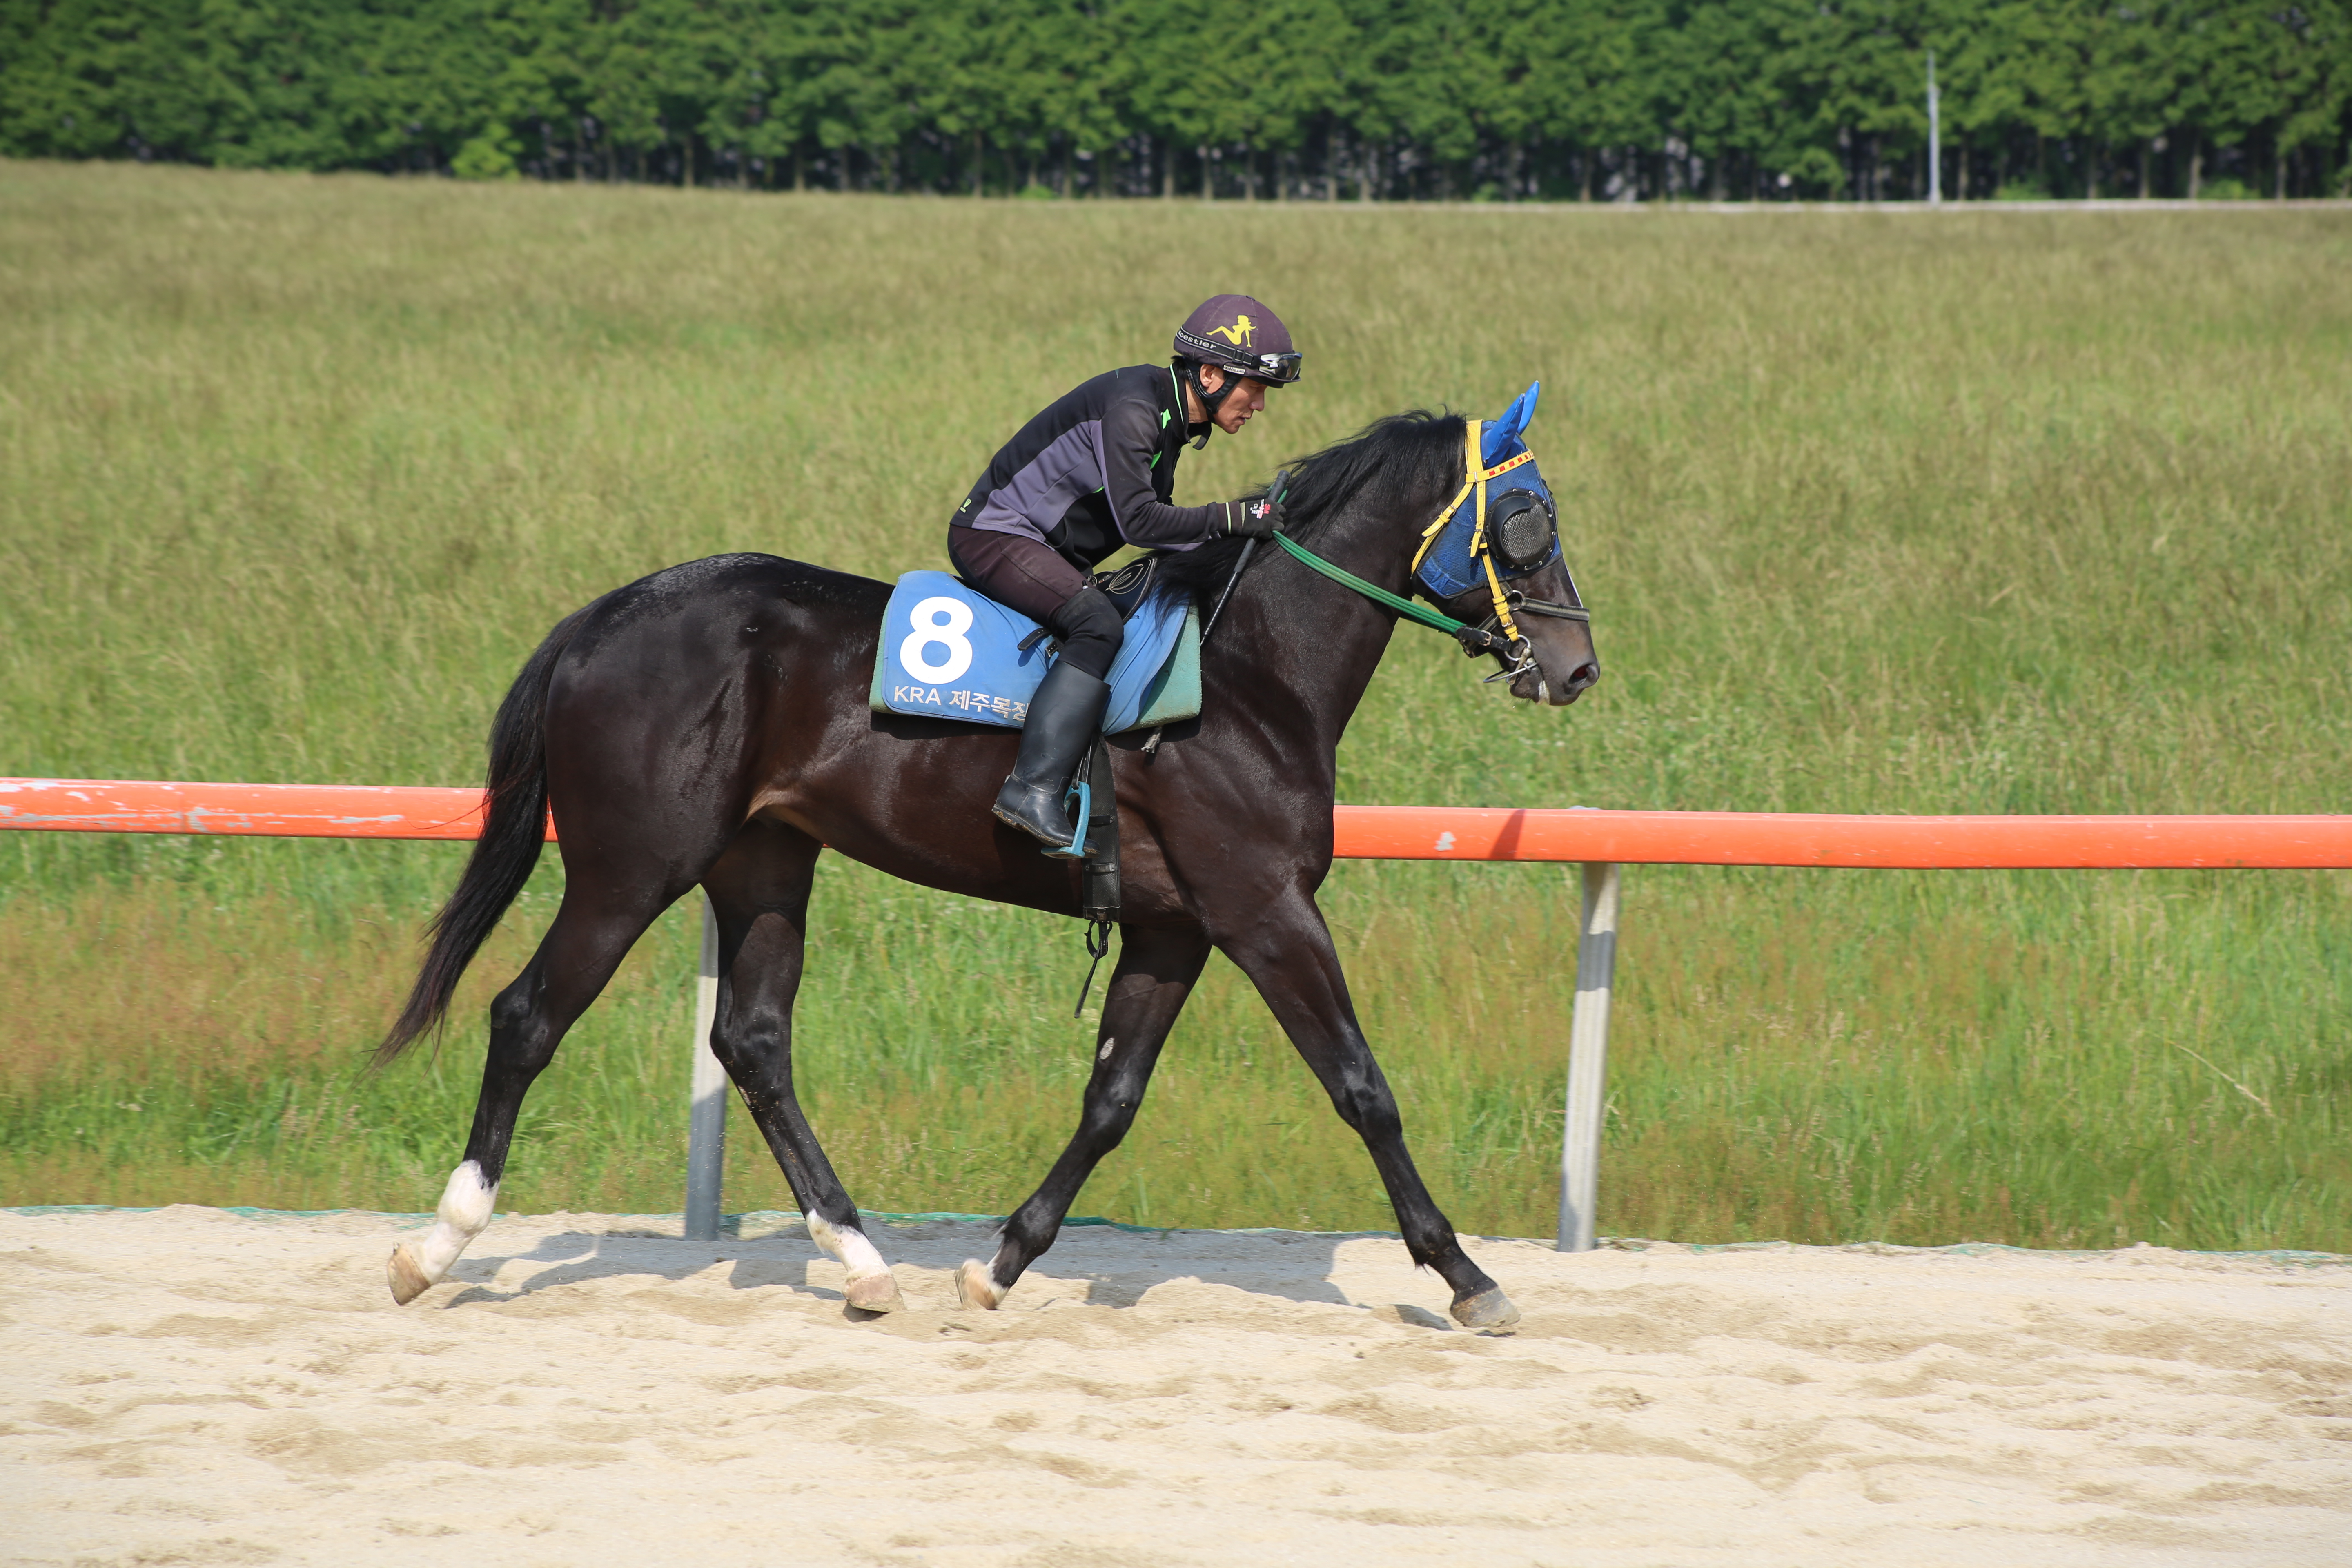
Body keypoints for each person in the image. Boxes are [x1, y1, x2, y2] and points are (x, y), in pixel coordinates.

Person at [949, 294, 1302, 854]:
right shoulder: (1137, 409)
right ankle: (1031, 790)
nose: (1259, 404)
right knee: (1096, 624)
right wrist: (1233, 518)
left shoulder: (1173, 417)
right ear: (1209, 375)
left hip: (1041, 546)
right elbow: (1140, 520)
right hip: (996, 535)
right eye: (1254, 388)